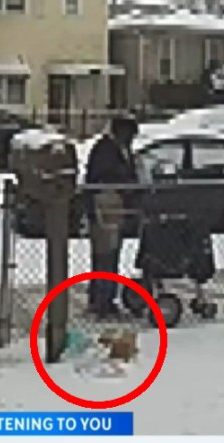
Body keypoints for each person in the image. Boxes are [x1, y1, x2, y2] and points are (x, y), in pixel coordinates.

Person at [84, 114, 140, 319]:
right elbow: (104, 175)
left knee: (111, 255)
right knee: (104, 256)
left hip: (116, 208)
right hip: (104, 208)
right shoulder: (105, 150)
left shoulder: (121, 149)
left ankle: (106, 298)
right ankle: (101, 301)